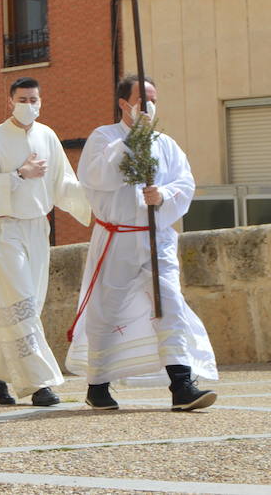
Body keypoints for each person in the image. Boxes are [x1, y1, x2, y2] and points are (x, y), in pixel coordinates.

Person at [65, 76, 218, 411]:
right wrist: (134, 140)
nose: (149, 106)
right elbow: (97, 176)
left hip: (156, 236)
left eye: (153, 99)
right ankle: (98, 384)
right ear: (123, 103)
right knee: (108, 308)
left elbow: (185, 183)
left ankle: (181, 384)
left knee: (170, 302)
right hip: (117, 237)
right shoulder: (104, 138)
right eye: (141, 99)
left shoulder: (167, 144)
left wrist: (162, 194)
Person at [0, 76, 91, 408]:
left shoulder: (47, 136)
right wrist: (19, 174)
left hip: (37, 228)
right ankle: (40, 384)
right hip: (5, 230)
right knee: (20, 301)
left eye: (34, 99)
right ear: (10, 101)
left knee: (28, 307)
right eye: (23, 99)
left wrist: (98, 198)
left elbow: (64, 182)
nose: (29, 105)